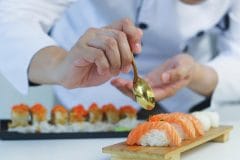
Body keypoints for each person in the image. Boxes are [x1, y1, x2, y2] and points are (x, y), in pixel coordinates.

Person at [0, 0, 240, 115]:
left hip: (186, 99)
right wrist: (59, 64)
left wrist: (197, 74)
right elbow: (11, 15)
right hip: (87, 96)